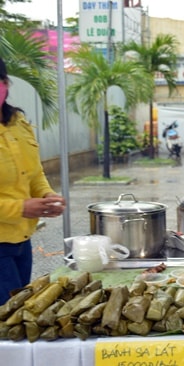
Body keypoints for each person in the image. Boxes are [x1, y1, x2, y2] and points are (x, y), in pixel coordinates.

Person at [0, 57, 66, 304]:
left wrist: (47, 195)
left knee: (19, 312)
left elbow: (34, 173)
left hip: (22, 241)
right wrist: (20, 208)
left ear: (5, 83)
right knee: (6, 320)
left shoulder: (18, 122)